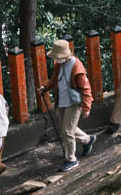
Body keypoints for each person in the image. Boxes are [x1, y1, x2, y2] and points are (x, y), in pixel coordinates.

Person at [39, 37, 96, 168]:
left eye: (58, 56)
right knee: (67, 129)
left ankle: (71, 159)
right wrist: (45, 87)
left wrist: (87, 107)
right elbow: (55, 80)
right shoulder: (59, 65)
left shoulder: (77, 67)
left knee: (67, 131)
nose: (56, 59)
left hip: (74, 103)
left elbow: (86, 89)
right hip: (62, 101)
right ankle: (87, 140)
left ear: (66, 55)